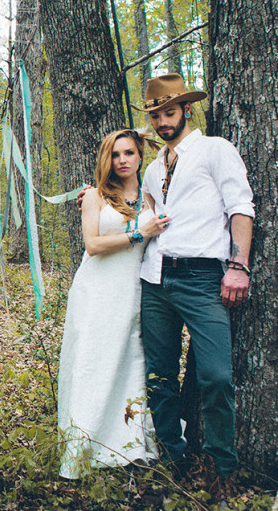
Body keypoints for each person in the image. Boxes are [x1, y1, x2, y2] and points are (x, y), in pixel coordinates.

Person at [135, 74, 253, 494]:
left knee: (217, 376)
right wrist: (95, 194)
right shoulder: (152, 169)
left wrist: (238, 265)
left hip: (205, 278)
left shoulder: (215, 150)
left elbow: (241, 206)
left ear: (187, 110)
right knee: (159, 375)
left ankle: (224, 468)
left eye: (170, 112)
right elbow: (144, 215)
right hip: (155, 279)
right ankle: (174, 458)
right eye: (156, 116)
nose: (164, 122)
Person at [58, 129, 169, 478]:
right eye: (115, 154)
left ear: (140, 157)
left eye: (129, 153)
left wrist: (153, 135)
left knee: (129, 361)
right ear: (107, 160)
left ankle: (128, 444)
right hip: (97, 289)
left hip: (134, 289)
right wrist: (140, 233)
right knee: (93, 363)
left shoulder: (153, 197)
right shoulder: (94, 197)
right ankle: (83, 447)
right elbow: (92, 245)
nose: (122, 160)